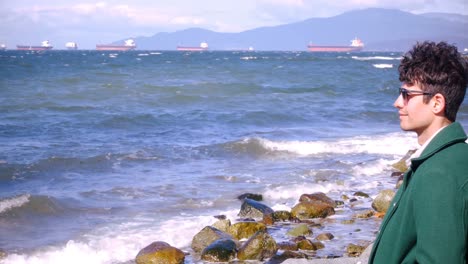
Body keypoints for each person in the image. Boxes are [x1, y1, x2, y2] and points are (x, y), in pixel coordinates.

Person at [369, 41, 468, 263]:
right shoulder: (446, 158)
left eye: (406, 94)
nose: (397, 103)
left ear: (437, 103)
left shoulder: (439, 173)